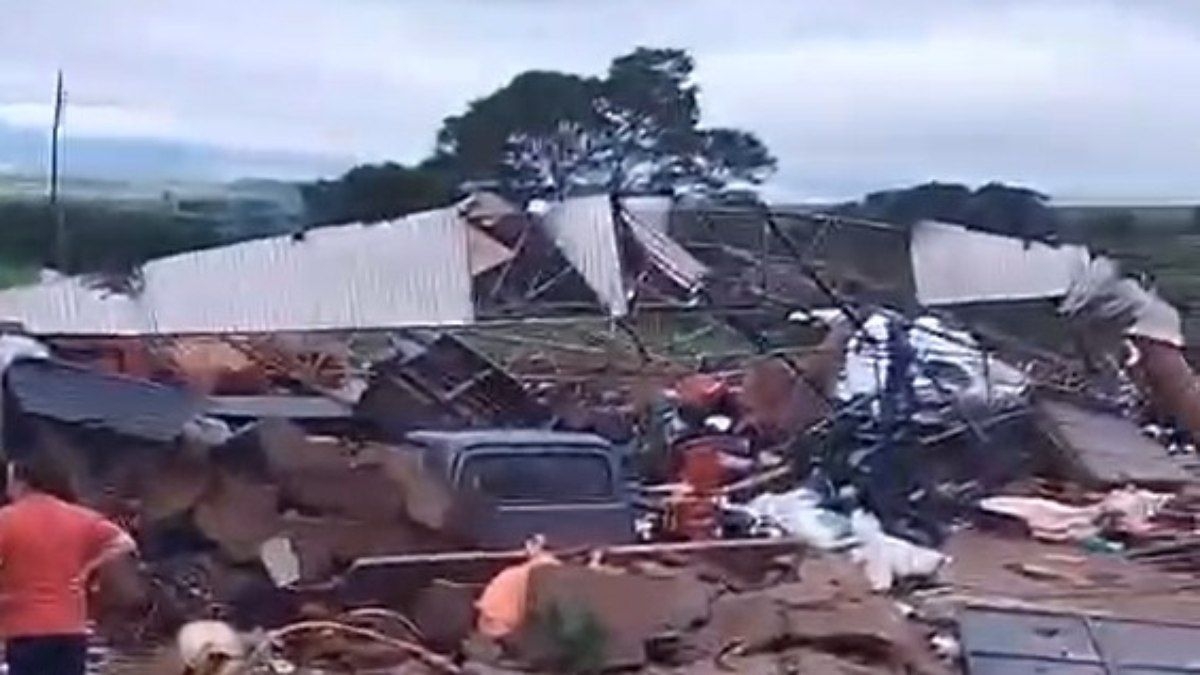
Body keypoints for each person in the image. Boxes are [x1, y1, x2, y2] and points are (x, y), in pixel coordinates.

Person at [0, 455, 136, 675]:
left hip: (24, 627)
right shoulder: (79, 516)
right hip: (71, 627)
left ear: (21, 482)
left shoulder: (7, 519)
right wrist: (87, 569)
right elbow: (125, 543)